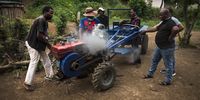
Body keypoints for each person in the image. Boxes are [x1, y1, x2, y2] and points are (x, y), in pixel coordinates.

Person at [142, 8, 179, 86]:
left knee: (168, 64)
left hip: (167, 48)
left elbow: (176, 29)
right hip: (159, 46)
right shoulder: (163, 22)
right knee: (154, 60)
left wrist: (171, 37)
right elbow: (155, 29)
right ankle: (150, 74)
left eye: (161, 15)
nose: (159, 16)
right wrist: (146, 31)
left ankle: (168, 81)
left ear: (166, 15)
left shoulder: (171, 22)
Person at [23, 5, 55, 91]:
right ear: (45, 12)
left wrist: (48, 39)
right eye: (51, 13)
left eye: (53, 13)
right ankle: (27, 83)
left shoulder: (44, 21)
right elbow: (39, 35)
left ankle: (50, 75)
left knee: (46, 58)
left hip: (39, 44)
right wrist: (49, 45)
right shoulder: (41, 20)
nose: (52, 15)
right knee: (34, 61)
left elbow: (43, 34)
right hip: (33, 44)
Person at [160, 7, 184, 76]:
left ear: (168, 13)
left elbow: (181, 27)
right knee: (167, 56)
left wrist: (172, 34)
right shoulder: (166, 19)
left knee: (170, 56)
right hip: (165, 42)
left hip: (170, 41)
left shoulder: (173, 19)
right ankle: (168, 68)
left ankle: (172, 71)